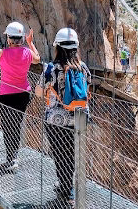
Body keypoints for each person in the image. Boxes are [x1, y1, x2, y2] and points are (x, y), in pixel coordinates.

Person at [0, 21, 41, 171]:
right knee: (16, 123)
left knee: (7, 126)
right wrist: (30, 43)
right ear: (21, 39)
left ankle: (11, 157)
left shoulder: (2, 53)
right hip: (24, 94)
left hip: (6, 94)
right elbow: (37, 59)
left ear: (8, 39)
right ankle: (14, 155)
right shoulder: (27, 52)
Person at [40, 27, 91, 204]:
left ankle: (66, 191)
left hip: (56, 119)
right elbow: (87, 89)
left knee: (60, 154)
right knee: (72, 153)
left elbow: (40, 92)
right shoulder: (83, 68)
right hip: (79, 118)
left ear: (57, 47)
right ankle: (68, 188)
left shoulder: (51, 68)